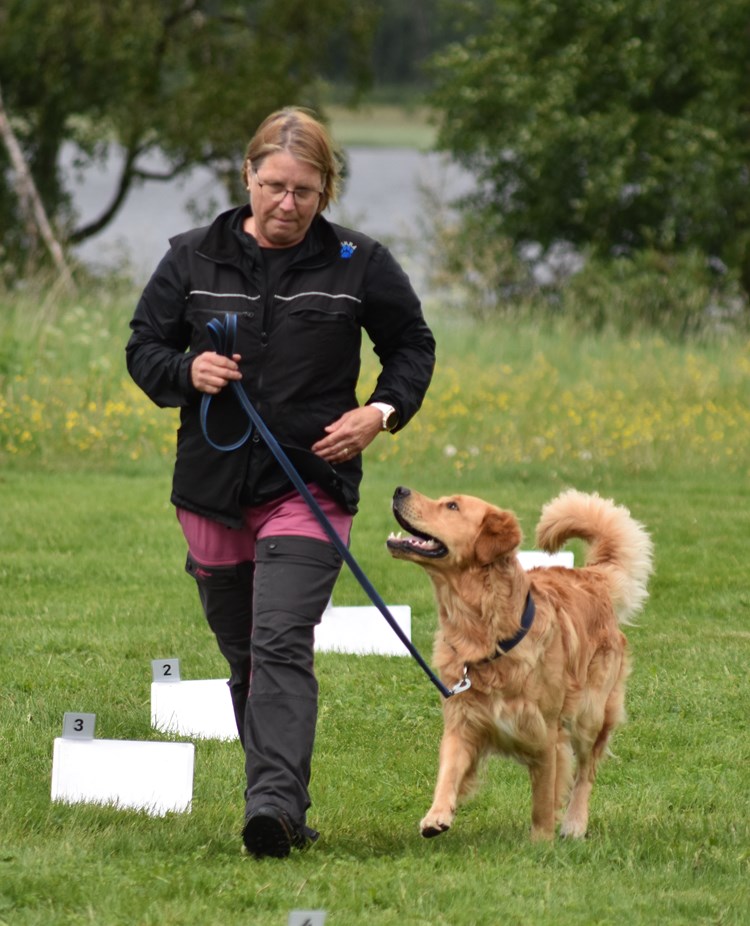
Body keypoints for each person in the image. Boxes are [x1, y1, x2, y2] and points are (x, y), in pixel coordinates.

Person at [126, 107, 435, 858]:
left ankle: (271, 809)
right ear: (248, 178)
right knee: (245, 657)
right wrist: (186, 372)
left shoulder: (361, 263)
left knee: (281, 642)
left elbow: (411, 345)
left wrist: (380, 413)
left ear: (326, 189)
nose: (286, 204)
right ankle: (283, 799)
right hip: (210, 487)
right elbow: (144, 349)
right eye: (273, 186)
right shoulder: (192, 257)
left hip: (310, 485)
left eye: (303, 190)